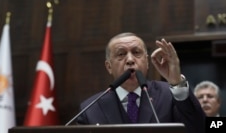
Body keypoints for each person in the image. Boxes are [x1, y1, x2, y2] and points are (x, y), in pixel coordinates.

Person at [76, 32, 205, 133]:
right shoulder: (90, 109)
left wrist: (177, 83)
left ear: (147, 62)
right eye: (121, 54)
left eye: (136, 53)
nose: (130, 60)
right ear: (109, 66)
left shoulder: (169, 94)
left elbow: (198, 128)